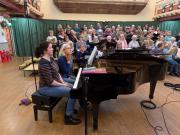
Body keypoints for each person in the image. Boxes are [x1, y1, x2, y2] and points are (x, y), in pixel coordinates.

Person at [35, 41, 81, 125]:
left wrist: (63, 81)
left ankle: (69, 107)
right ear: (45, 50)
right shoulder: (43, 63)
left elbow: (57, 73)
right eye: (50, 47)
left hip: (54, 83)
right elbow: (50, 82)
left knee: (73, 87)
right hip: (46, 88)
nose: (52, 49)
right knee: (73, 92)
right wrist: (63, 84)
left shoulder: (51, 59)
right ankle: (68, 117)